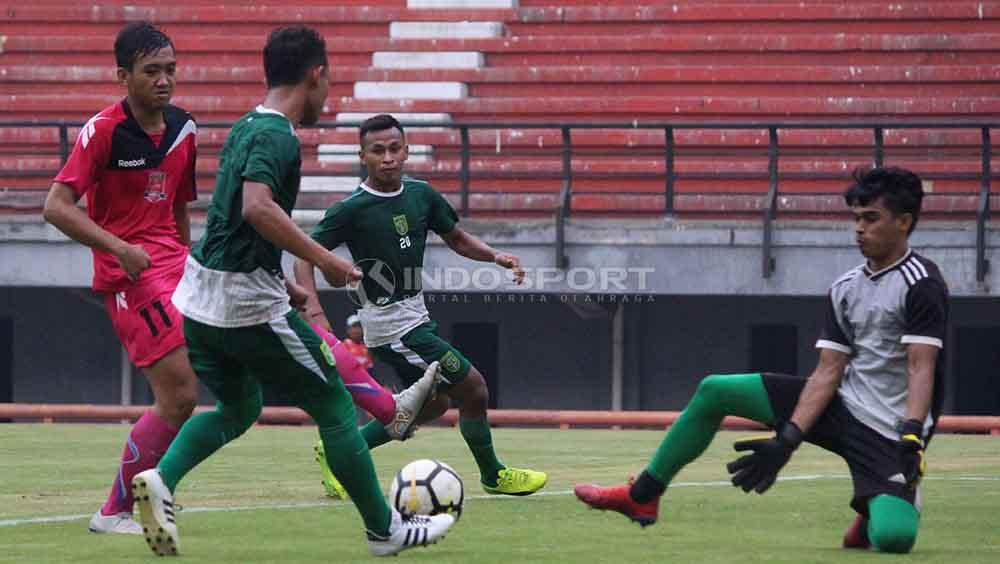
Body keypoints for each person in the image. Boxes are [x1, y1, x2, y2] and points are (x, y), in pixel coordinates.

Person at [130, 27, 454, 557]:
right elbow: (257, 208)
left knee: (238, 408)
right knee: (333, 405)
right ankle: (384, 531)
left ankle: (161, 481)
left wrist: (285, 281)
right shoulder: (278, 136)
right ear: (316, 75)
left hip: (200, 298)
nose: (328, 95)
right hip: (245, 307)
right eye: (329, 83)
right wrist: (325, 261)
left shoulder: (246, 125)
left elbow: (229, 224)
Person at [575, 167, 948, 555]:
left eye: (871, 219)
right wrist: (786, 442)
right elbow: (828, 371)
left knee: (893, 539)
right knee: (715, 390)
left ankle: (876, 509)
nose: (859, 228)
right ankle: (643, 495)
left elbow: (921, 366)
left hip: (890, 431)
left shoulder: (923, 285)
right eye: (856, 218)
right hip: (842, 403)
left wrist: (910, 433)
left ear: (904, 222)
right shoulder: (845, 288)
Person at [294, 114, 548, 496]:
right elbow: (304, 256)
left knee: (435, 404)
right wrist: (314, 312)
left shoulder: (421, 194)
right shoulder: (351, 209)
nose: (388, 157)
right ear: (363, 155)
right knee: (474, 388)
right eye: (377, 151)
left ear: (407, 150)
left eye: (395, 148)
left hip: (416, 317)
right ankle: (493, 475)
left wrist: (496, 257)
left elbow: (457, 238)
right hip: (390, 326)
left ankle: (341, 450)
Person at [42, 22, 199, 535]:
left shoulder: (184, 128)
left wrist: (192, 263)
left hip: (176, 268)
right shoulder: (104, 131)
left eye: (170, 70)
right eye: (151, 71)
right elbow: (56, 207)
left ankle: (146, 494)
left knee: (198, 389)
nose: (164, 80)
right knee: (178, 395)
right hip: (130, 276)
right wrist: (119, 249)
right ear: (123, 75)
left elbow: (178, 206)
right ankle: (115, 510)